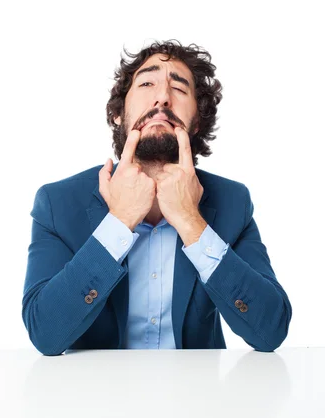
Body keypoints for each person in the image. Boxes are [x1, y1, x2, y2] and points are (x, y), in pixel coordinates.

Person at [22, 39, 292, 356]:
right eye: (147, 83)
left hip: (201, 400)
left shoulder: (233, 202)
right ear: (118, 115)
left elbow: (270, 331)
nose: (162, 97)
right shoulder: (57, 203)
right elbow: (45, 333)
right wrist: (119, 222)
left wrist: (192, 223)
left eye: (178, 88)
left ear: (197, 122)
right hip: (93, 399)